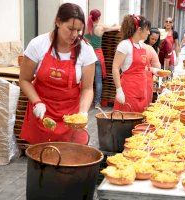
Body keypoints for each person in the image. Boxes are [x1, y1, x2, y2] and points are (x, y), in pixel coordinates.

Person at [19, 3, 97, 145]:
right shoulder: (38, 45)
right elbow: (24, 80)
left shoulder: (86, 50)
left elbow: (87, 88)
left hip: (71, 118)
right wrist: (37, 103)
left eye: (78, 30)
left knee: (70, 161)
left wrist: (83, 113)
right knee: (41, 159)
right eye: (70, 29)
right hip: (42, 114)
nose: (74, 35)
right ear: (58, 21)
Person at [112, 15, 151, 112]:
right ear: (139, 29)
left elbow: (141, 68)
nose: (149, 32)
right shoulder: (124, 45)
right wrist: (119, 90)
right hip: (129, 92)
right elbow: (115, 68)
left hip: (141, 91)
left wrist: (154, 70)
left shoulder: (141, 45)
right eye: (147, 29)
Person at [84, 9, 120, 109]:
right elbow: (118, 27)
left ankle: (84, 100)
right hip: (97, 56)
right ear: (99, 18)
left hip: (86, 56)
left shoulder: (85, 27)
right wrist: (114, 25)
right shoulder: (101, 27)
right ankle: (97, 103)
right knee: (98, 80)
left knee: (86, 80)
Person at [143, 28, 161, 104]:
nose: (153, 41)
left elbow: (156, 65)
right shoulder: (141, 46)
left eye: (155, 40)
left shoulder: (157, 49)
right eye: (152, 38)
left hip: (151, 75)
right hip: (142, 72)